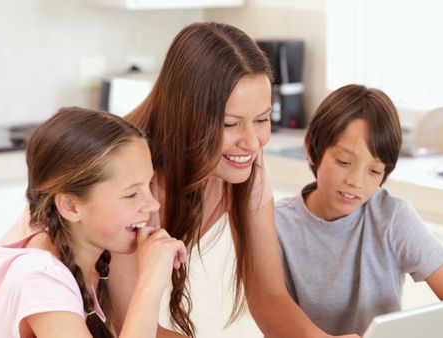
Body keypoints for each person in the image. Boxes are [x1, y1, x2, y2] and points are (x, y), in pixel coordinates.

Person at [112, 22, 359, 337]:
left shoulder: (243, 161)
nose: (252, 143)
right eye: (230, 124)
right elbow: (126, 325)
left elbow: (269, 297)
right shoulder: (127, 177)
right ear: (187, 116)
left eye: (262, 119)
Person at [274, 84, 443, 336]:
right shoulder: (277, 224)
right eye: (344, 162)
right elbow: (272, 316)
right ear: (310, 150)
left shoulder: (392, 218)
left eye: (374, 171)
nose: (357, 181)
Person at [0, 107, 188, 338]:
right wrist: (151, 282)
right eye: (131, 194)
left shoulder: (81, 262)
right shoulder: (40, 279)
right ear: (71, 207)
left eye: (148, 186)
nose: (153, 205)